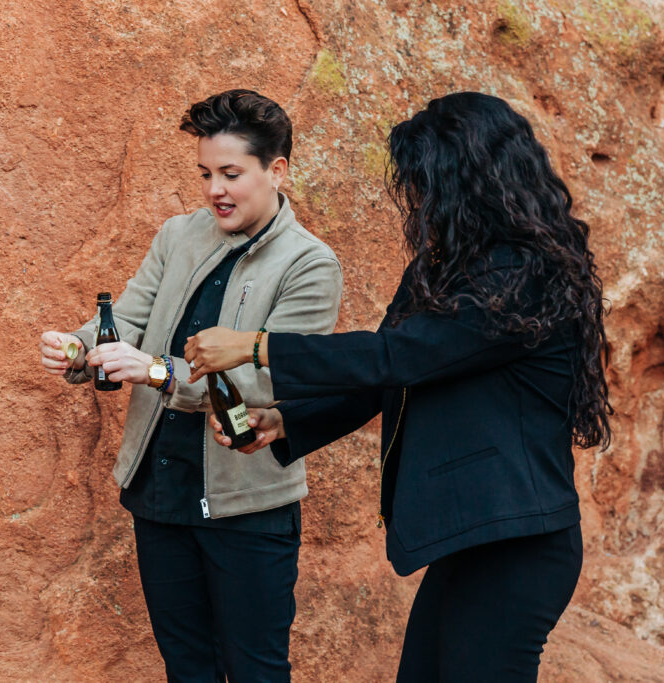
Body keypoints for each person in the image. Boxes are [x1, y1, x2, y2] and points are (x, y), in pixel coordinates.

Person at [184, 91, 613, 682]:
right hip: (475, 541)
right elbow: (380, 375)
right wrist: (289, 423)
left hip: (520, 544)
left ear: (475, 180)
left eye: (429, 183)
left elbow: (401, 355)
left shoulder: (525, 274)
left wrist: (257, 346)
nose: (420, 201)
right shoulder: (442, 268)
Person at [38, 89, 343, 682]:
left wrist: (157, 371)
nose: (214, 191)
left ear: (276, 170)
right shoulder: (179, 234)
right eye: (205, 173)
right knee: (188, 669)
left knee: (256, 671)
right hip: (161, 492)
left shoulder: (311, 264)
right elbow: (127, 318)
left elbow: (273, 379)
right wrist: (79, 347)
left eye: (231, 173)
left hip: (247, 505)